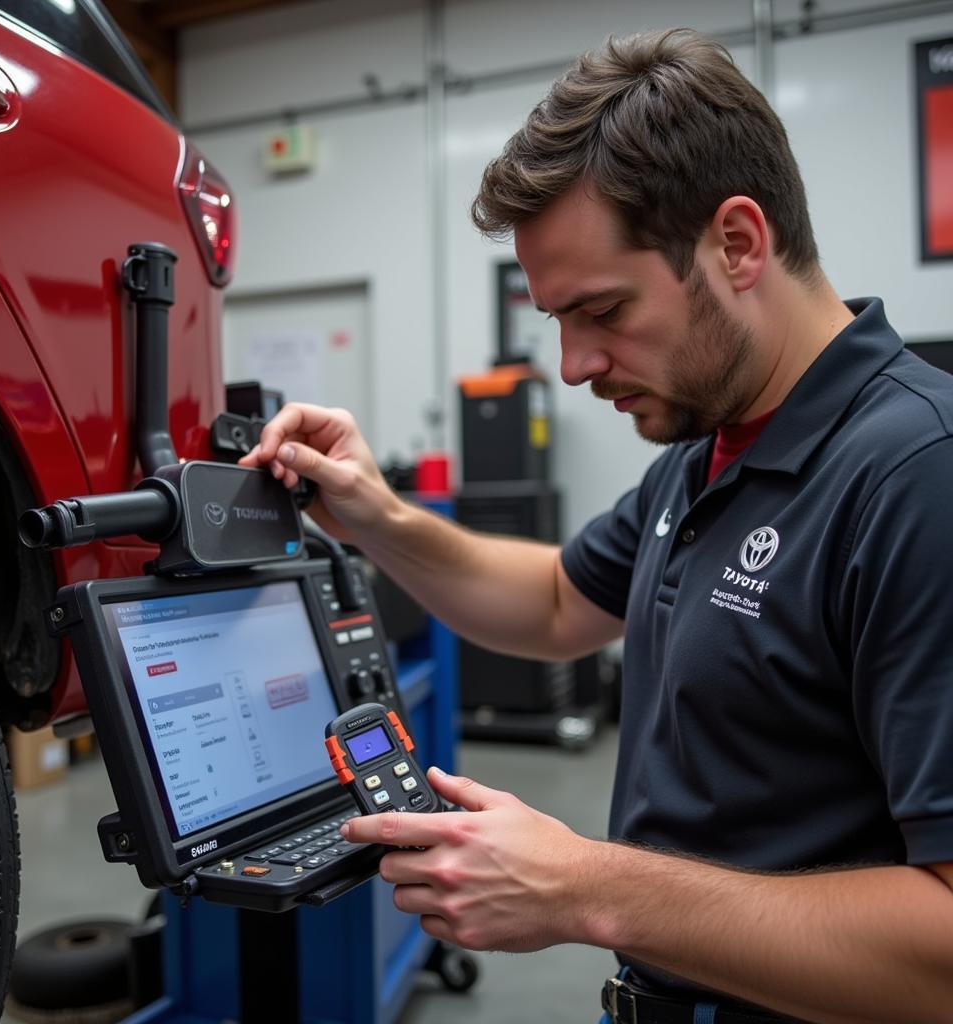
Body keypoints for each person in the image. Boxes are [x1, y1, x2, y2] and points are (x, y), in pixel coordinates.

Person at [240, 27, 953, 1024]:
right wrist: (376, 513)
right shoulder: (706, 455)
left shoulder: (916, 474)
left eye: (602, 311)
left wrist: (588, 888)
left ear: (737, 244)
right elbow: (551, 603)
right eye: (556, 322)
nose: (572, 366)